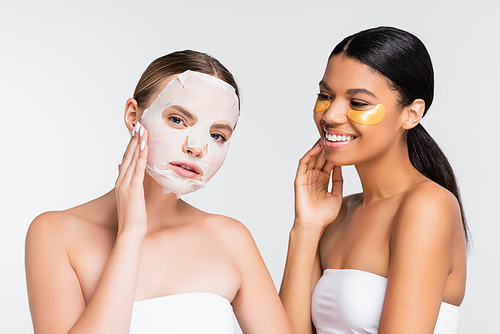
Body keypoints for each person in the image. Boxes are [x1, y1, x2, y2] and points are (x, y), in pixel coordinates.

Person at [26, 50, 292, 334]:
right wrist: (130, 235)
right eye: (177, 119)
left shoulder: (231, 239)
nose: (197, 146)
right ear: (133, 116)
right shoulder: (55, 234)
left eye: (218, 135)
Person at [279, 27, 468, 334]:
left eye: (358, 103)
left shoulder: (427, 206)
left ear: (411, 114)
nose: (331, 116)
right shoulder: (338, 213)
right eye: (325, 96)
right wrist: (306, 227)